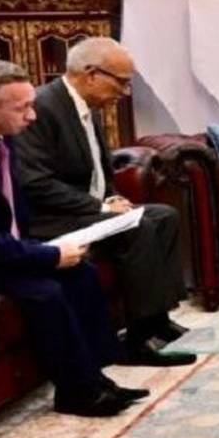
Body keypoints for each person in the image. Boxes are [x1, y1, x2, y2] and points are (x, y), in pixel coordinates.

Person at [0, 60, 148, 417]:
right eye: (22, 108)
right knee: (46, 290)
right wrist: (48, 256)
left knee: (81, 272)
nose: (32, 116)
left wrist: (44, 249)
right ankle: (77, 394)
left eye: (31, 105)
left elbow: (9, 214)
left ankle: (95, 378)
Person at [13, 38, 192, 368]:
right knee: (138, 227)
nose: (125, 91)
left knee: (165, 215)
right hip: (54, 218)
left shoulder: (87, 106)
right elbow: (35, 182)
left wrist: (111, 196)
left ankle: (158, 319)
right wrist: (99, 208)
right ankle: (138, 339)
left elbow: (96, 168)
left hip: (87, 210)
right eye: (121, 82)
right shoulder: (42, 108)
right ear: (91, 74)